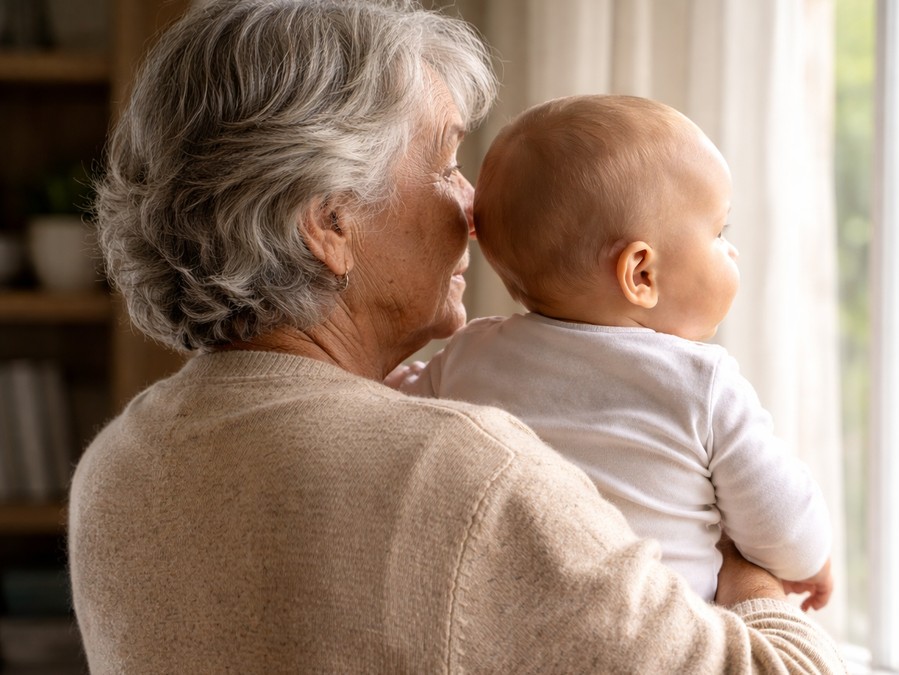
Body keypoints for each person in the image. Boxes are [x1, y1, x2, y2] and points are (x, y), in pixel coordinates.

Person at [68, 1, 846, 673]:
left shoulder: (115, 465)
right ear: (331, 225)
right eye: (445, 163)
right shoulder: (464, 474)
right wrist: (750, 575)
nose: (472, 207)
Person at [390, 95, 834, 607]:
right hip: (656, 638)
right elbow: (784, 526)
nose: (731, 249)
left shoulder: (470, 355)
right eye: (719, 232)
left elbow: (397, 409)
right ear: (641, 273)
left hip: (510, 624)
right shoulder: (702, 385)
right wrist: (814, 559)